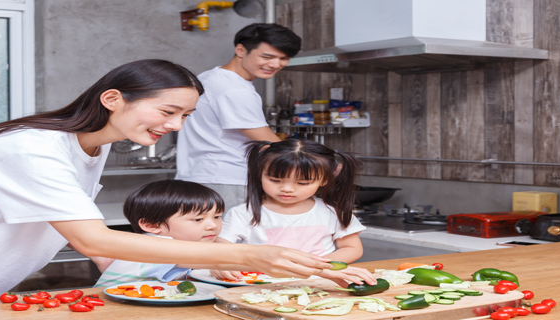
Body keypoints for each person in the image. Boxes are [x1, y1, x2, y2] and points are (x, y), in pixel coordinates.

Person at [0, 59, 337, 308]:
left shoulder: (92, 146)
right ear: (113, 99)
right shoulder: (32, 147)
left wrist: (224, 253)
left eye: (186, 116)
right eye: (168, 111)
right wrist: (248, 255)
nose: (176, 126)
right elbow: (91, 239)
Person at [212, 139, 375, 288]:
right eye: (275, 180)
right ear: (260, 174)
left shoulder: (333, 212)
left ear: (324, 180)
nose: (287, 189)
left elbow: (352, 248)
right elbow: (221, 246)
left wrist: (315, 266)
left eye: (303, 183)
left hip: (318, 283)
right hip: (261, 285)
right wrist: (221, 264)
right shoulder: (243, 213)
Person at [175, 23, 301, 210]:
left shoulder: (209, 77)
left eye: (284, 58)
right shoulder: (234, 89)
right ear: (241, 50)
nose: (276, 64)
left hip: (201, 175)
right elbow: (268, 143)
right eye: (267, 57)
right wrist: (316, 164)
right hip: (227, 179)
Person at [93, 180, 225, 287]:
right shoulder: (151, 248)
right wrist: (218, 266)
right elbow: (213, 259)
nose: (213, 225)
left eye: (217, 216)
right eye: (198, 219)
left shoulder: (181, 246)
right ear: (152, 225)